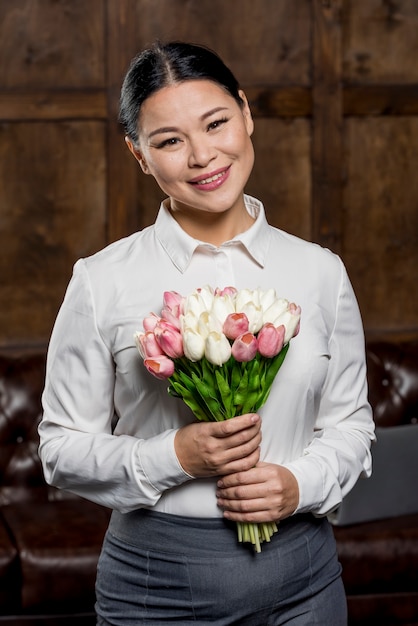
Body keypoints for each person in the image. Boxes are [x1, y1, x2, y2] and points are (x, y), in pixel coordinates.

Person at [39, 41, 375, 625]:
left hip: (306, 575)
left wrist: (298, 485)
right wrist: (174, 456)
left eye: (215, 123)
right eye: (169, 140)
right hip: (158, 583)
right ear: (138, 155)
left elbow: (349, 424)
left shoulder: (320, 271)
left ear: (245, 114)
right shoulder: (101, 281)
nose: (202, 156)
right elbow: (60, 449)